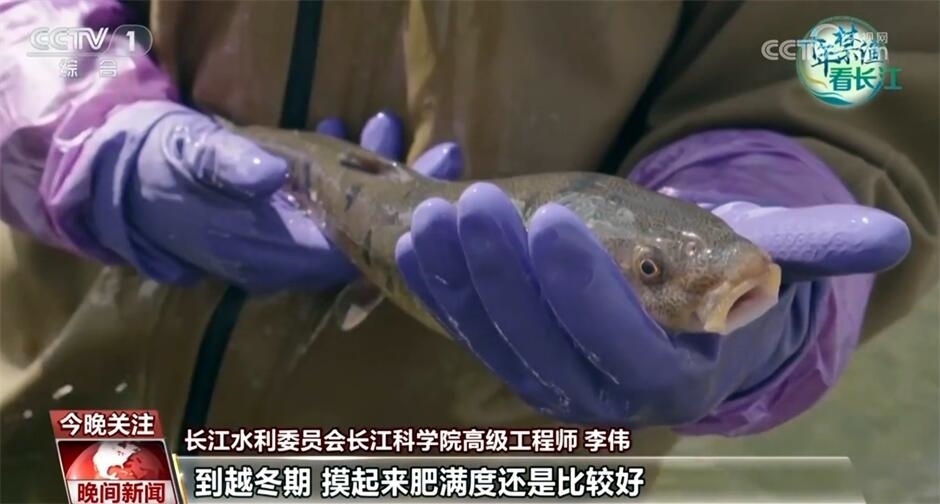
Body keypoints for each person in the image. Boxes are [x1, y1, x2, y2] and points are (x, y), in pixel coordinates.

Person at [1, 0, 937, 500]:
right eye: (655, 272)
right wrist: (77, 132)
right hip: (80, 428)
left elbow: (841, 62)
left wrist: (781, 186)